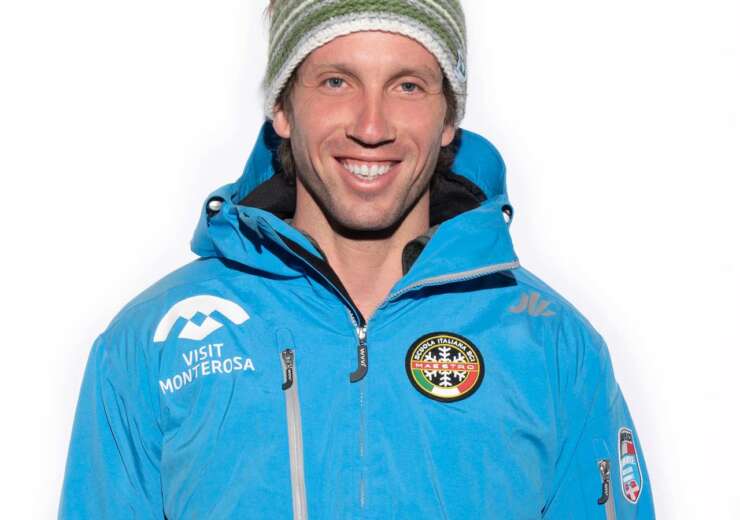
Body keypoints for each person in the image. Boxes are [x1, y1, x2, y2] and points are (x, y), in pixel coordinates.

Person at [59, 1, 655, 518]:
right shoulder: (155, 341)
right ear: (282, 109)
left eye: (408, 86)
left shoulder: (550, 343)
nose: (372, 127)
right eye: (336, 82)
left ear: (449, 118)